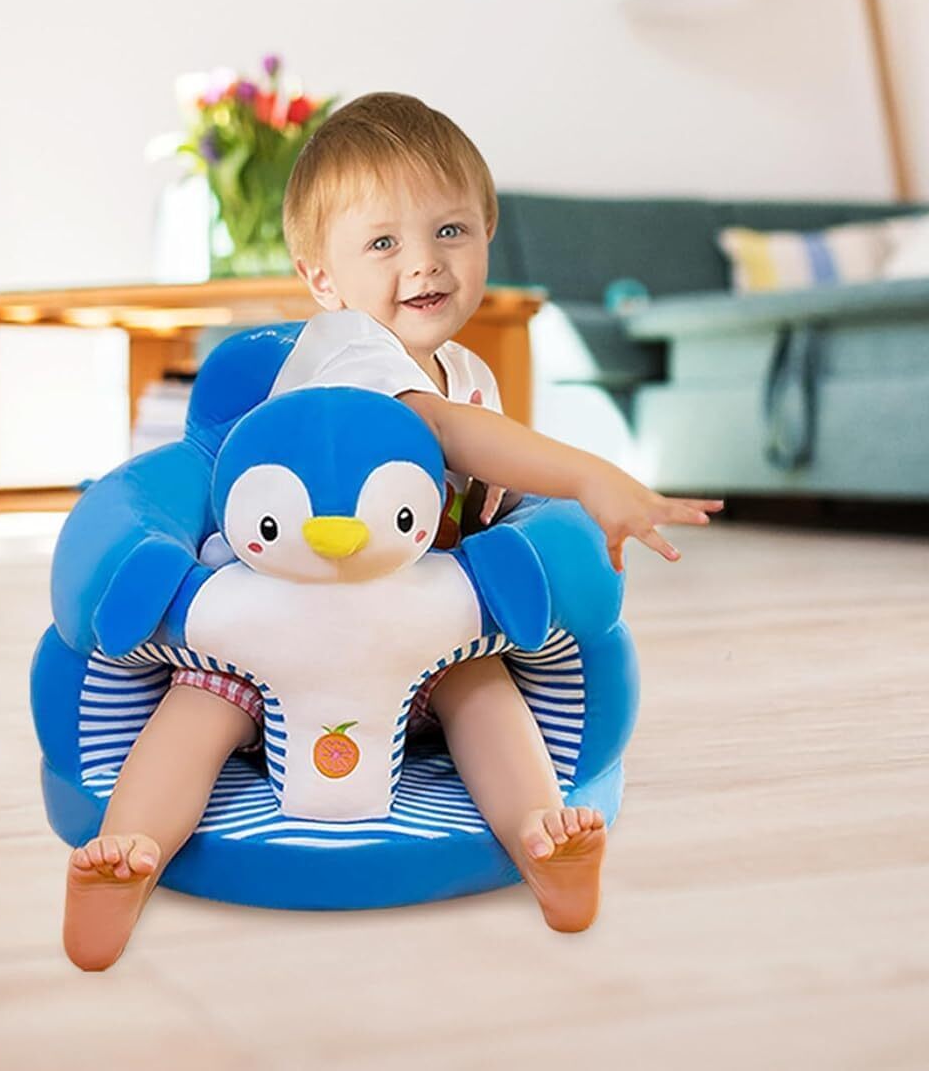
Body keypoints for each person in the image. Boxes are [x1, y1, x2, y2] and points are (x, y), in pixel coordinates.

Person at [63, 92, 722, 968]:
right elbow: (446, 433)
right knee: (199, 709)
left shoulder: (468, 373)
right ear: (323, 280)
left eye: (451, 230)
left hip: (414, 647)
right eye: (383, 243)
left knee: (482, 687)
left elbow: (485, 500)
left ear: (487, 232)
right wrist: (589, 475)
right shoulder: (348, 346)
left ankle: (541, 839)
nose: (424, 262)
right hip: (270, 637)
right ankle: (130, 854)